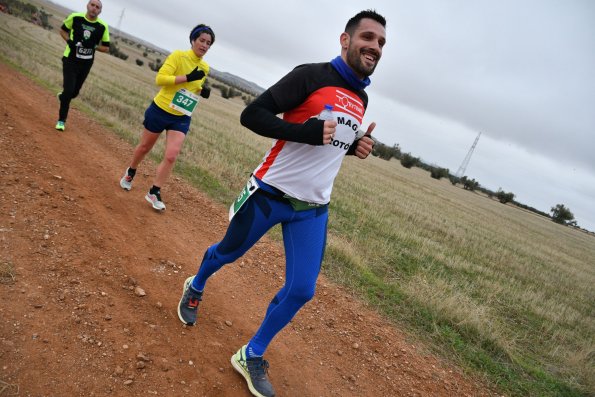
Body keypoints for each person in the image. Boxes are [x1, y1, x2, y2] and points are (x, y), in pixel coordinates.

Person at [177, 10, 386, 397]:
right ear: (346, 39)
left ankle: (251, 353)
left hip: (313, 208)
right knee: (227, 253)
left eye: (381, 43)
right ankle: (197, 283)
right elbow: (251, 114)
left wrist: (354, 144)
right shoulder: (310, 75)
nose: (375, 47)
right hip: (271, 192)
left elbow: (331, 140)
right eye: (368, 38)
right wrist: (301, 132)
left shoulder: (362, 97)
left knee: (303, 289)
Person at [118, 24, 214, 211]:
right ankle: (131, 171)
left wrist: (202, 90)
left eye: (208, 43)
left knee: (171, 155)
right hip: (160, 109)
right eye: (202, 40)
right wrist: (187, 77)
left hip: (181, 115)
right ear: (193, 40)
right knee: (145, 147)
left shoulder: (204, 67)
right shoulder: (178, 56)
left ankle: (154, 191)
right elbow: (161, 79)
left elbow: (191, 89)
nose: (204, 45)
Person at [55, 0, 110, 131]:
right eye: (92, 5)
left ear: (100, 11)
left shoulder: (102, 26)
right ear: (87, 6)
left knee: (74, 93)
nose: (94, 8)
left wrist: (95, 46)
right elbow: (62, 31)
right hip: (70, 60)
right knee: (68, 91)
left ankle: (63, 97)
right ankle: (61, 121)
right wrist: (69, 41)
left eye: (98, 7)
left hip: (86, 64)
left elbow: (106, 47)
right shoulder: (75, 17)